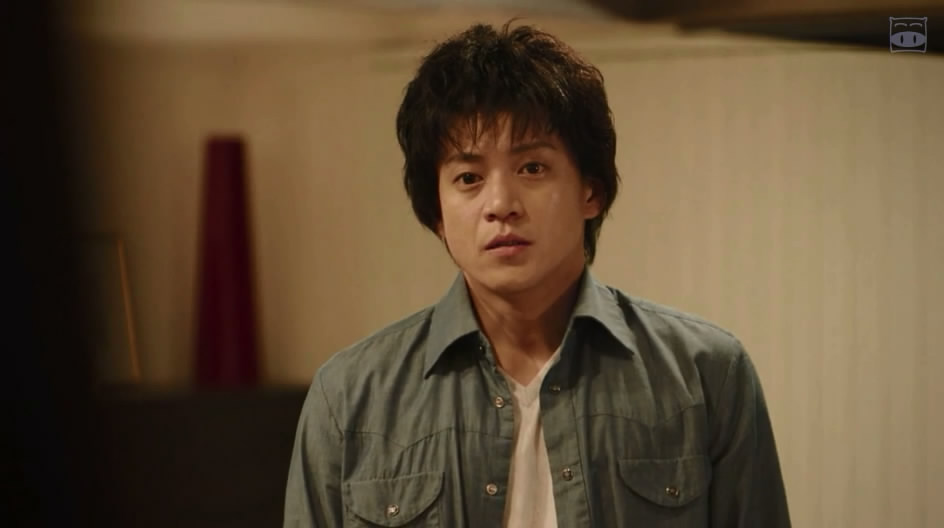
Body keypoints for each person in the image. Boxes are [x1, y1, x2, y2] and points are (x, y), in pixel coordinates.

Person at [284, 21, 791, 527]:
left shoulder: (706, 375)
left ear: (590, 191)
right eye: (468, 177)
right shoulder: (350, 398)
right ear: (436, 212)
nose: (501, 204)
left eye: (532, 168)